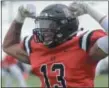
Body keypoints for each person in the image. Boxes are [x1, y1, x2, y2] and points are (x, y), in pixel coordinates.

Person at [3, 2, 108, 87]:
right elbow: (8, 46)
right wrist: (19, 18)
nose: (43, 31)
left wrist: (89, 9)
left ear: (65, 27)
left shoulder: (82, 44)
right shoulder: (36, 47)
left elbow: (9, 46)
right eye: (42, 24)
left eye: (49, 26)